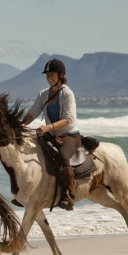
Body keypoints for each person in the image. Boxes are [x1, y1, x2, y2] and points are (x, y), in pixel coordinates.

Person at [21, 58, 80, 211]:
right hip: (51, 135)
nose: (49, 78)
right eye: (47, 75)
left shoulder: (68, 94)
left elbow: (68, 119)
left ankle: (68, 195)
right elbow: (33, 112)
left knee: (62, 155)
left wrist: (48, 127)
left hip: (69, 136)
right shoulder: (43, 94)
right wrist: (22, 124)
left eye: (52, 74)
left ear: (61, 75)